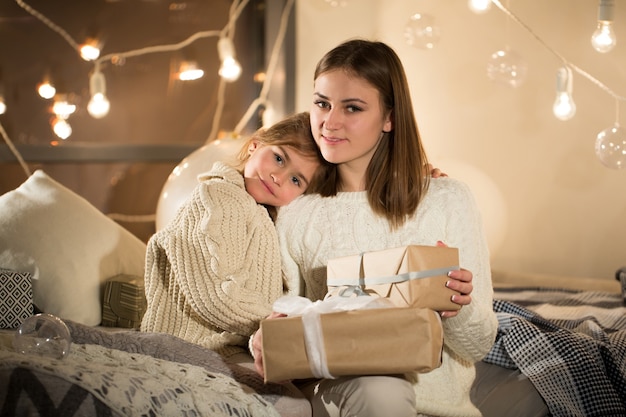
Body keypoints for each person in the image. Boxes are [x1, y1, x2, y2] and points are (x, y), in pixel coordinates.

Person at [251, 39, 499, 417]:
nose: (329, 122)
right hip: (347, 397)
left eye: (352, 108)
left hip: (438, 409)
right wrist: (269, 336)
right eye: (322, 103)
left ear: (390, 118)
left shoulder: (449, 199)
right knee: (379, 388)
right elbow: (289, 320)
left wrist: (456, 306)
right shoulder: (298, 214)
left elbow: (478, 346)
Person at [140, 111, 332, 359]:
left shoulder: (262, 215)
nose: (278, 177)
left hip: (235, 346)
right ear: (255, 145)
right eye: (279, 159)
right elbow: (215, 295)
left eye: (295, 180)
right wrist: (274, 324)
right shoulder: (217, 196)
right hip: (190, 344)